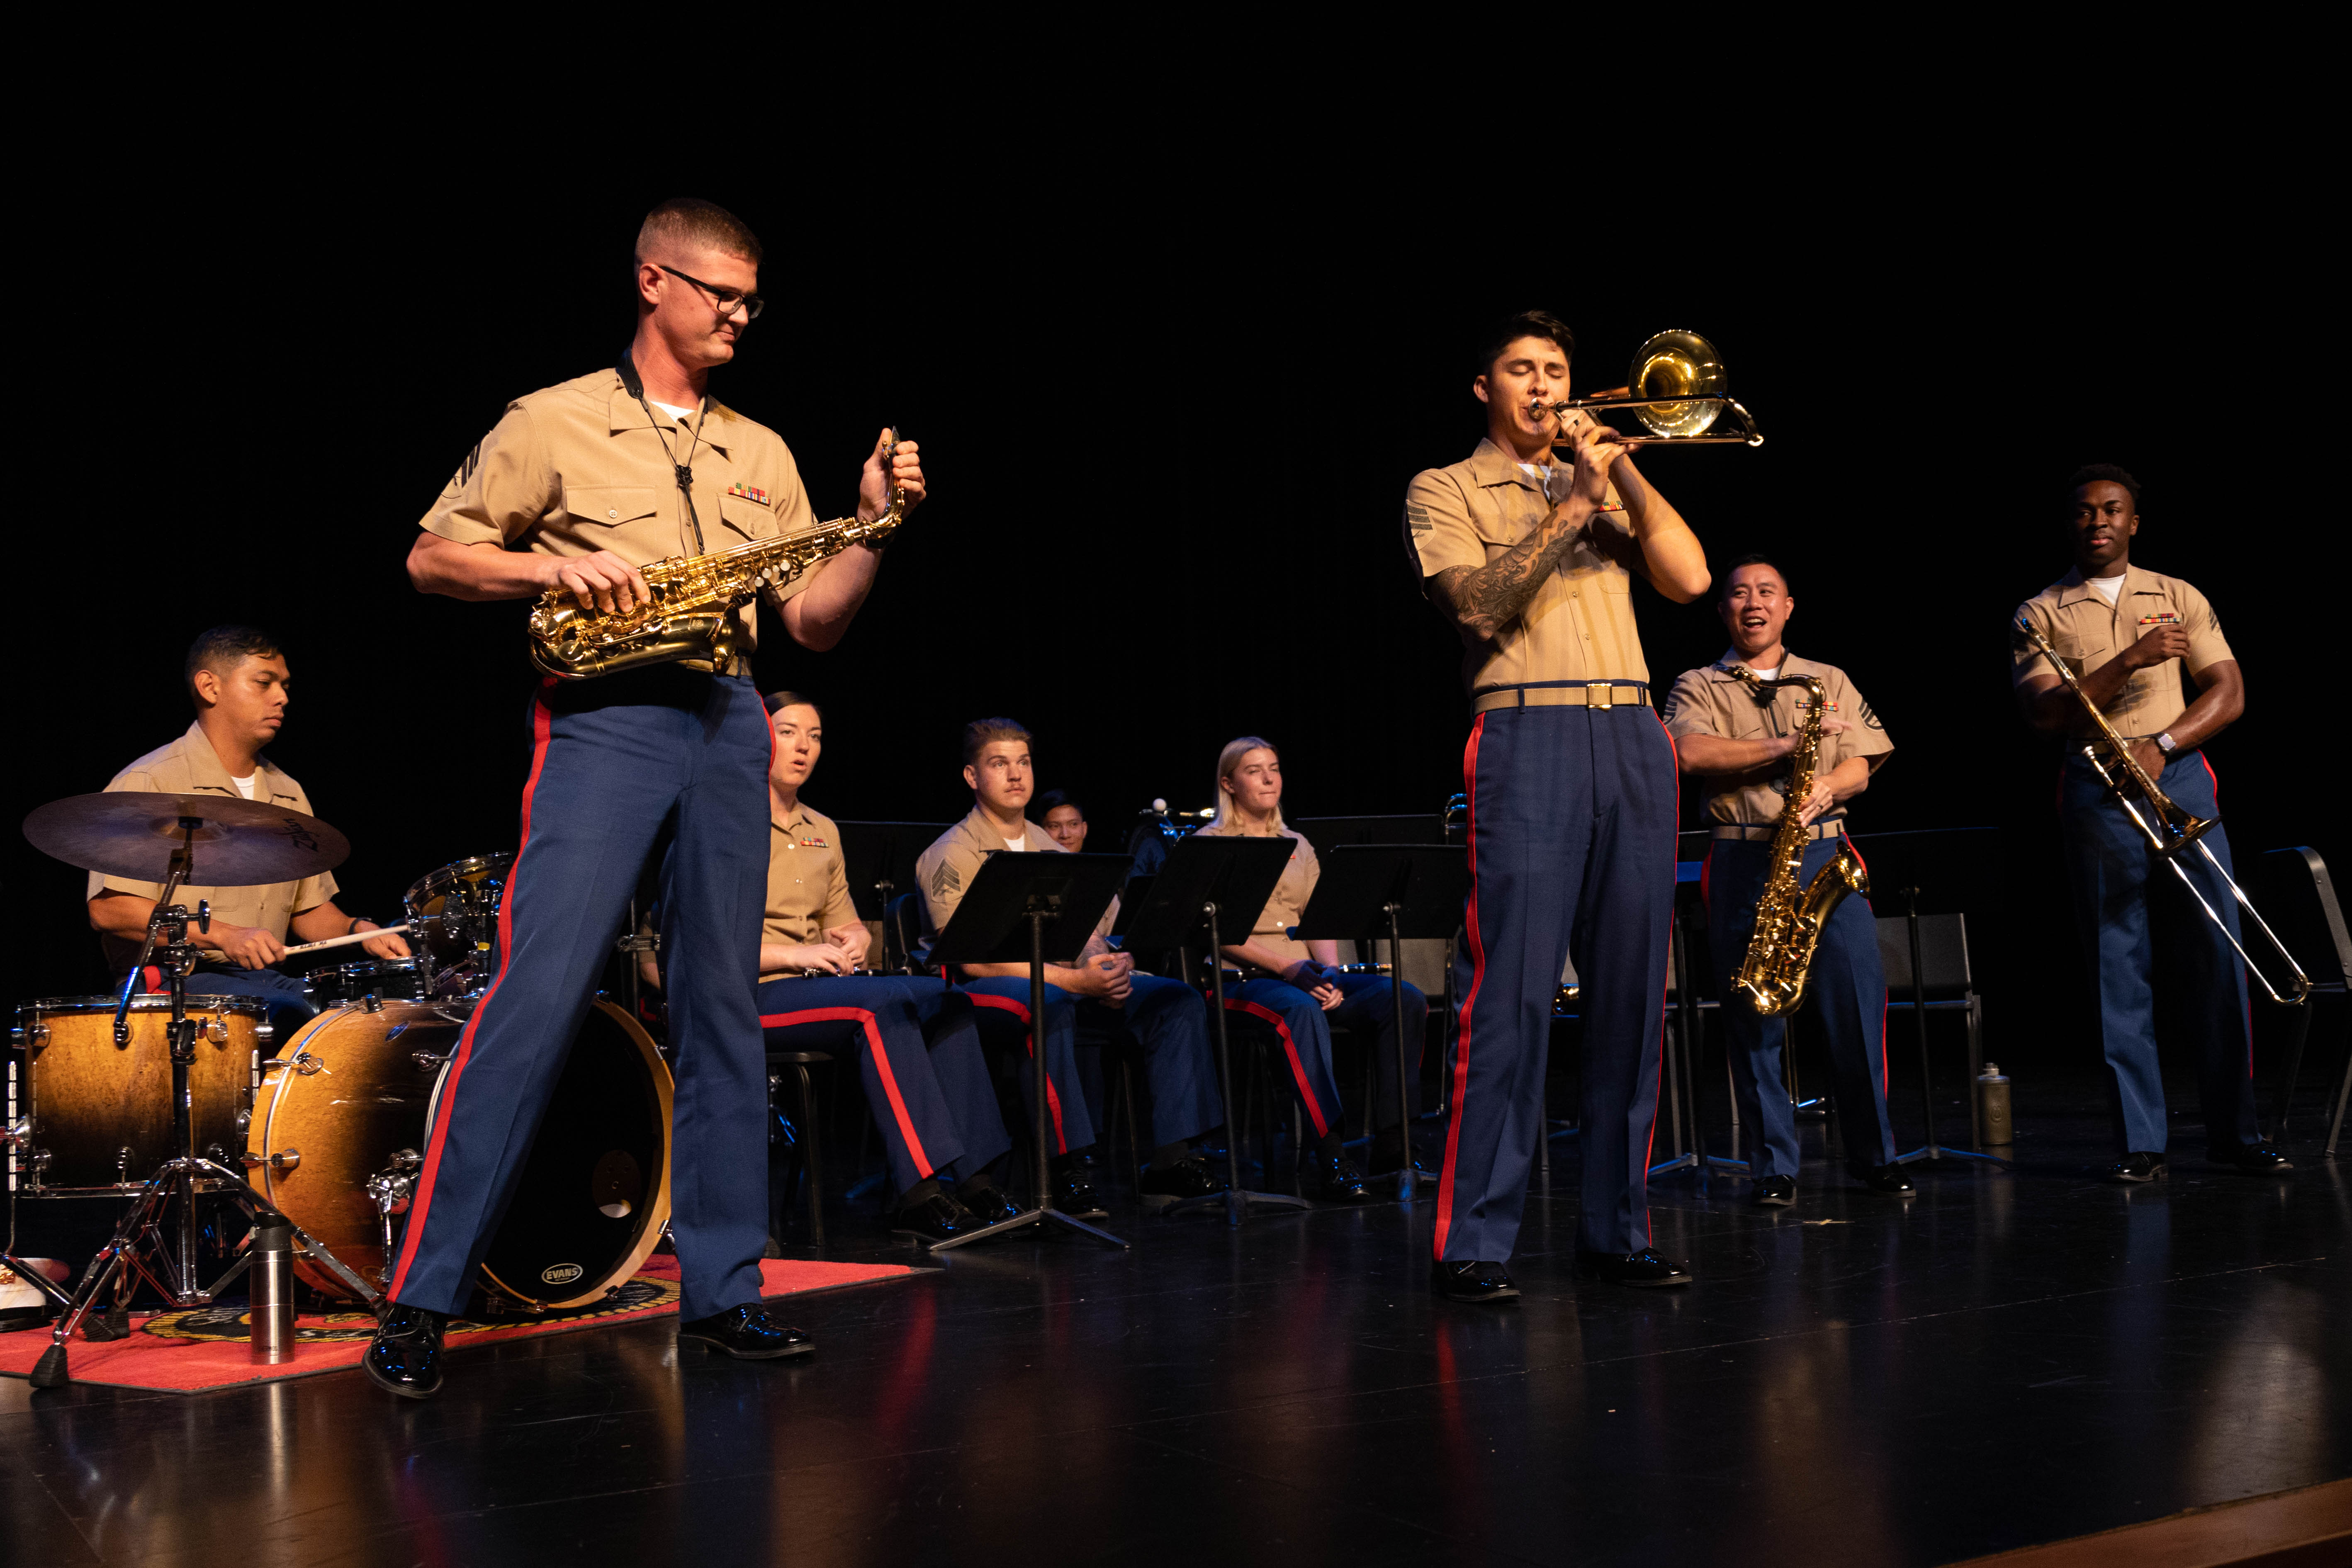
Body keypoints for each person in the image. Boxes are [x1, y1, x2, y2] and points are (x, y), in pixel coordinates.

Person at [372, 197, 926, 1397]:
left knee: (722, 1010)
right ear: (650, 281)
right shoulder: (553, 417)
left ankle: (727, 1290)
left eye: (749, 298)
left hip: (728, 715)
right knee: (538, 992)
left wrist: (874, 528)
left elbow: (812, 625)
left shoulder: (764, 450)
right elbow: (430, 555)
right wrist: (549, 561)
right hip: (602, 718)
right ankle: (424, 1293)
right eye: (718, 292)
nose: (737, 314)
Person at [1403, 311, 1711, 1302]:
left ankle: (1617, 1230)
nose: (1543, 386)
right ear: (1484, 386)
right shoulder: (1444, 488)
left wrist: (1615, 471)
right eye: (1522, 370)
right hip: (1525, 731)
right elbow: (1478, 605)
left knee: (1633, 995)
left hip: (1631, 732)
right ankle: (1475, 1245)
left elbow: (1690, 576)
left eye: (1557, 371)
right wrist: (1571, 508)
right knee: (1511, 996)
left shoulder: (1602, 478)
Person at [644, 693, 1019, 1246]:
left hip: (812, 992)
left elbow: (843, 923)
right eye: (790, 731)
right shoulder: (718, 819)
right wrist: (795, 954)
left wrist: (854, 938)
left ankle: (976, 1178)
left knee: (946, 998)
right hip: (742, 996)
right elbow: (692, 948)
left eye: (815, 735)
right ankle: (918, 1192)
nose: (803, 746)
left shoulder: (821, 829)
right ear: (758, 737)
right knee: (882, 1006)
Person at [2011, 465, 2289, 1184]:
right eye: (2084, 512)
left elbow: (2228, 693)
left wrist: (2163, 745)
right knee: (2117, 964)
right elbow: (2045, 714)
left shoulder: (2177, 595)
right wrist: (2130, 658)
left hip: (2179, 774)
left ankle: (2236, 1133)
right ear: (2069, 523)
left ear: (2134, 522)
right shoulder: (2040, 612)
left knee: (2220, 952)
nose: (2098, 521)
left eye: (2113, 510)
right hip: (2096, 783)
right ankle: (2140, 1141)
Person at [1664, 558, 1912, 1207]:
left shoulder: (1826, 678)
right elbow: (1688, 754)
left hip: (1823, 856)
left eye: (1766, 593)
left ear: (1787, 606)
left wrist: (1831, 782)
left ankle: (1875, 1155)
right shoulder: (1698, 683)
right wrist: (1786, 745)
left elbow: (1867, 757)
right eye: (1739, 594)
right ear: (1723, 611)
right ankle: (1772, 1165)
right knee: (1752, 1016)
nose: (1753, 603)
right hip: (1743, 857)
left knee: (1857, 1010)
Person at [915, 719, 1229, 1212]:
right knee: (1053, 1000)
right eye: (1000, 764)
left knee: (1175, 999)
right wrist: (1075, 980)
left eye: (1023, 762)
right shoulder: (951, 852)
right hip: (986, 990)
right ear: (972, 777)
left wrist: (1106, 966)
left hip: (1065, 980)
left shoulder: (1051, 846)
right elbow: (972, 959)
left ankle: (1172, 1160)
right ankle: (1065, 1167)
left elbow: (1083, 931)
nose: (1016, 775)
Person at [87, 626, 409, 1038]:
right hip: (175, 984)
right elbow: (110, 909)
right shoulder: (150, 782)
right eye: (264, 683)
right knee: (291, 1015)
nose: (282, 697)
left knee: (375, 1021)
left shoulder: (288, 794)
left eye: (285, 685)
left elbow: (308, 911)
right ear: (209, 686)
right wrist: (224, 935)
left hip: (266, 982)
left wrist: (358, 930)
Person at [1197, 737, 1434, 1201]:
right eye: (1254, 770)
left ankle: (1394, 1145)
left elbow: (1317, 918)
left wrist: (1329, 974)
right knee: (1298, 1012)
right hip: (1239, 982)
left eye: (1275, 768)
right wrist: (1290, 971)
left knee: (1403, 999)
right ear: (1228, 783)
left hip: (1302, 974)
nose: (1269, 778)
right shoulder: (1208, 846)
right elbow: (1216, 932)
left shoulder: (1296, 843)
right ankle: (1331, 1155)